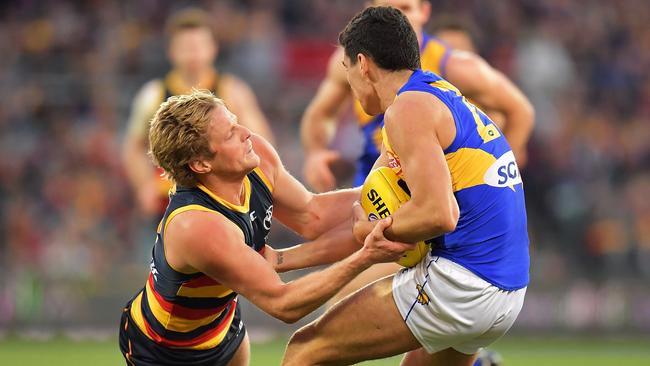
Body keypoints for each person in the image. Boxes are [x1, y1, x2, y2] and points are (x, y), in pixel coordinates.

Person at [283, 7, 529, 366]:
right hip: (507, 290)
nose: (349, 84)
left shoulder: (406, 111)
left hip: (462, 284)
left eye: (347, 70)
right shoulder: (433, 92)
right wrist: (282, 260)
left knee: (305, 350)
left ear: (363, 65)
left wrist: (373, 229)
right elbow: (362, 203)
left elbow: (439, 213)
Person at [118, 90, 414, 366]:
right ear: (201, 164)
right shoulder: (196, 225)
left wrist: (392, 179)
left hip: (224, 326)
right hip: (165, 350)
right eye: (231, 133)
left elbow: (313, 217)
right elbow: (284, 304)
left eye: (236, 122)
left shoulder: (255, 157)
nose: (247, 133)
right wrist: (366, 256)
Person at [301, 0, 533, 193]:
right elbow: (321, 114)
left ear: (424, 11)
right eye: (387, 11)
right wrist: (315, 152)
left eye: (405, 8)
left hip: (440, 184)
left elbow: (520, 111)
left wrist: (494, 180)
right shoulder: (349, 61)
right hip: (377, 179)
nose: (398, 18)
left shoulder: (455, 66)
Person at [122, 8, 275, 218]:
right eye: (185, 47)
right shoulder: (153, 95)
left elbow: (261, 142)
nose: (193, 54)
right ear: (171, 51)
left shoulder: (233, 92)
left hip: (222, 201)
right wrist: (144, 186)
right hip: (169, 201)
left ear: (213, 48)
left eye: (199, 46)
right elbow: (134, 148)